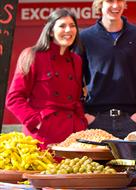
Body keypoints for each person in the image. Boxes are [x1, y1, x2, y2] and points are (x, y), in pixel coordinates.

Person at [78, 0, 136, 139]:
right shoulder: (85, 38)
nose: (116, 5)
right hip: (95, 120)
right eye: (110, 1)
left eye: (120, 0)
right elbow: (75, 81)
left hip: (131, 119)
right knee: (96, 165)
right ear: (99, 4)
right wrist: (85, 114)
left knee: (134, 165)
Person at [6, 9, 88, 148]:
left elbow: (76, 100)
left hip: (72, 136)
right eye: (62, 26)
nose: (68, 30)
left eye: (72, 25)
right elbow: (14, 98)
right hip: (43, 136)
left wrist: (81, 123)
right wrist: (35, 122)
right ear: (50, 31)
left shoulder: (76, 60)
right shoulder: (32, 55)